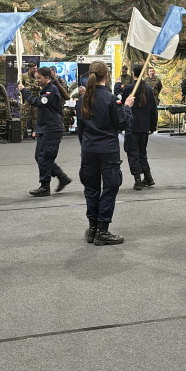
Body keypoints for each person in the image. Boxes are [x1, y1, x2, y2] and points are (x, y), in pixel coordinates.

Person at [76, 60, 134, 245]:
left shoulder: (82, 100)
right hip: (107, 150)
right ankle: (102, 229)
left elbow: (80, 130)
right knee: (110, 187)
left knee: (91, 188)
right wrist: (127, 107)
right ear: (107, 75)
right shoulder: (111, 99)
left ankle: (93, 228)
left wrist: (86, 145)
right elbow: (122, 123)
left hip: (89, 150)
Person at [18, 66, 72, 196]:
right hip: (45, 128)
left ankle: (45, 186)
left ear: (47, 78)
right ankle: (61, 176)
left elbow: (38, 103)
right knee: (40, 156)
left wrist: (25, 91)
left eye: (39, 78)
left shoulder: (51, 91)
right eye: (36, 78)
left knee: (43, 157)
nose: (37, 80)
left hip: (51, 129)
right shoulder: (47, 89)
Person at [122, 64, 158, 190]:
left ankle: (137, 179)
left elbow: (123, 106)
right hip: (144, 126)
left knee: (132, 152)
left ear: (133, 74)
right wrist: (153, 125)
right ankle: (148, 176)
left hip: (132, 126)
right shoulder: (148, 88)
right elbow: (153, 109)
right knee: (142, 152)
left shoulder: (129, 88)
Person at [21, 61, 40, 138]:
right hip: (27, 99)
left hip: (36, 98)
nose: (35, 70)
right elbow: (20, 87)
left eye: (36, 68)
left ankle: (34, 132)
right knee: (23, 116)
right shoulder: (23, 76)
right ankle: (22, 133)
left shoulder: (38, 76)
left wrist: (37, 88)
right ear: (29, 68)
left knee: (35, 116)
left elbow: (42, 87)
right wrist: (27, 89)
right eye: (33, 69)